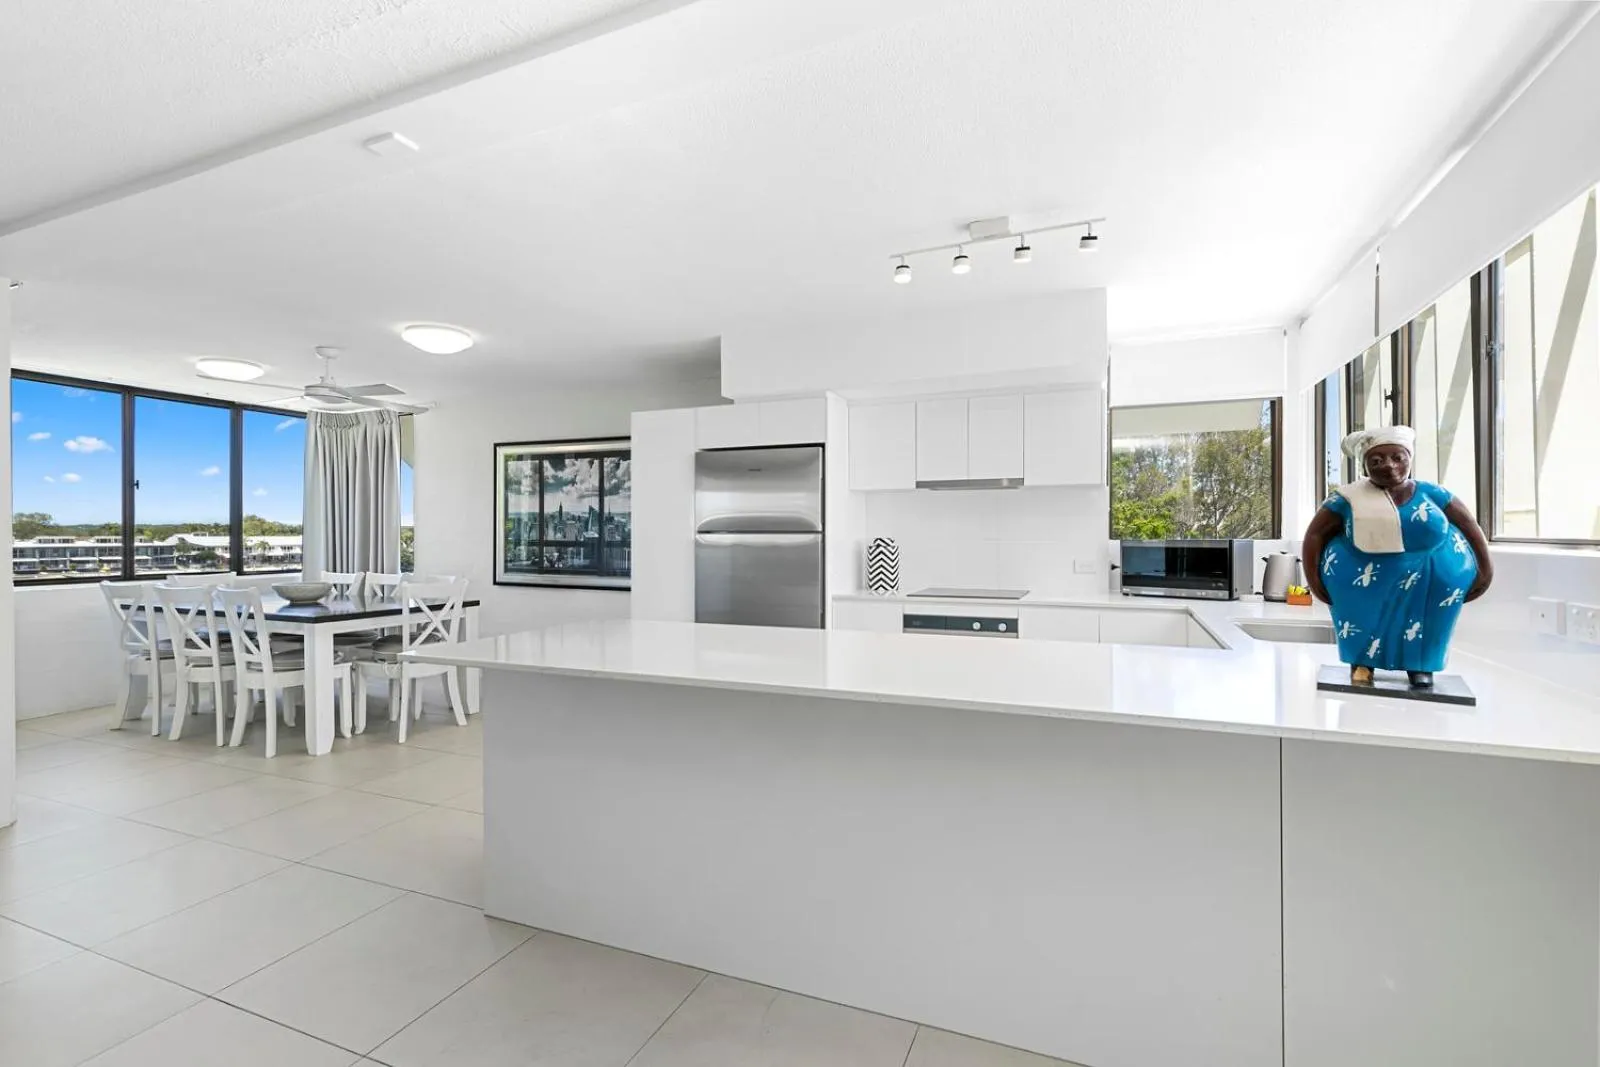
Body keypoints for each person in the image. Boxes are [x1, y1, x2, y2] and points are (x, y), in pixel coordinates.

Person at [1300, 425, 1492, 688]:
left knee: (1426, 626)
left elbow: (1469, 525)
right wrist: (1313, 579)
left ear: (1409, 459)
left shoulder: (1433, 493)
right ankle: (1361, 662)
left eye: (1397, 458)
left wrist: (1485, 569)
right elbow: (1315, 535)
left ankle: (1421, 665)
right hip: (1365, 587)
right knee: (1363, 621)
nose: (1389, 466)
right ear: (1365, 467)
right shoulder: (1346, 498)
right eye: (1376, 461)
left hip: (1428, 585)